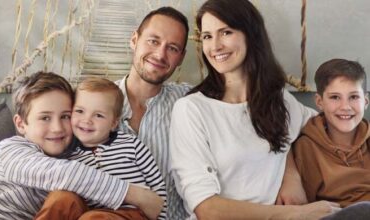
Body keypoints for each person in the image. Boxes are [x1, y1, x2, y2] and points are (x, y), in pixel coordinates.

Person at [169, 0, 341, 219]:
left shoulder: (278, 99)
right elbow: (207, 209)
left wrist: (291, 173)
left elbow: (324, 126)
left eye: (226, 32)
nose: (215, 46)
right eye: (207, 36)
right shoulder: (191, 109)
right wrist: (294, 214)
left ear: (251, 35)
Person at [0, 72, 163, 219]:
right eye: (45, 118)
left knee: (68, 199)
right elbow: (65, 173)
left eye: (66, 116)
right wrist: (137, 196)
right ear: (21, 124)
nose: (57, 128)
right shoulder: (11, 149)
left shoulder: (73, 151)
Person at [115, 6, 191, 219]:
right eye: (153, 41)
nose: (160, 54)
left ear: (181, 58)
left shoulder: (190, 101)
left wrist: (289, 176)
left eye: (173, 48)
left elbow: (247, 111)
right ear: (134, 40)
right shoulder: (91, 103)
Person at [68, 77, 166, 219]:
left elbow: (157, 186)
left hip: (132, 214)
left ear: (114, 123)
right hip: (89, 213)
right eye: (80, 111)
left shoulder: (131, 144)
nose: (87, 120)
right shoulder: (69, 154)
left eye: (99, 115)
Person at [293, 59, 370, 219]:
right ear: (319, 102)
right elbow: (306, 208)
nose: (345, 106)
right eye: (335, 97)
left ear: (366, 101)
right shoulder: (307, 147)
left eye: (354, 97)